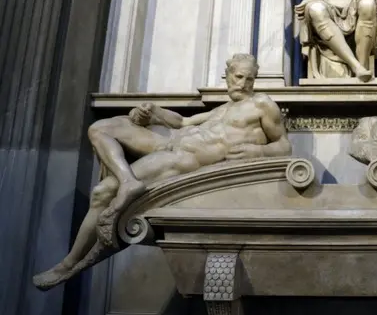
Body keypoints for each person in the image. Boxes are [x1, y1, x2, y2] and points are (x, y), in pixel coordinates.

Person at [33, 53, 291, 290]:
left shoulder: (262, 104)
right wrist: (153, 112)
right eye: (239, 76)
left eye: (250, 78)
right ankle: (127, 180)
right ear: (228, 76)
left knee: (103, 192)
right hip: (169, 142)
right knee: (100, 128)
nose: (244, 83)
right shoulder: (223, 109)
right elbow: (183, 122)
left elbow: (284, 146)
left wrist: (259, 152)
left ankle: (67, 265)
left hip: (182, 159)